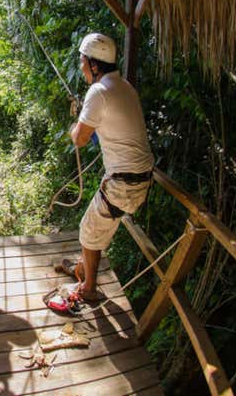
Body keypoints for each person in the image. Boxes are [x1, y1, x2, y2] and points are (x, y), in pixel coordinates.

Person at [59, 33, 153, 301]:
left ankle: (88, 290)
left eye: (82, 62)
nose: (80, 67)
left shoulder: (98, 91)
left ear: (94, 65)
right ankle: (81, 268)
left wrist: (74, 126)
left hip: (124, 184)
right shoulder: (125, 86)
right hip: (138, 180)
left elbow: (80, 139)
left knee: (88, 231)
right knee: (98, 226)